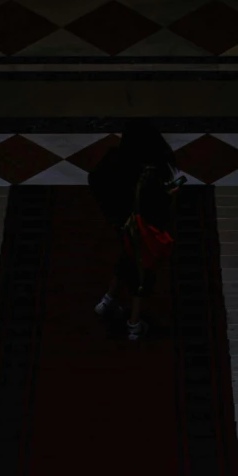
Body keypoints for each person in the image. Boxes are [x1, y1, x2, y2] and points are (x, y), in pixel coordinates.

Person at [88, 122, 179, 343]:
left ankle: (108, 301)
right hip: (142, 227)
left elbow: (94, 178)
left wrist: (112, 214)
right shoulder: (148, 172)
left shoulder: (113, 160)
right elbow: (157, 206)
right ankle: (134, 325)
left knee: (127, 257)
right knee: (142, 271)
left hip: (121, 224)